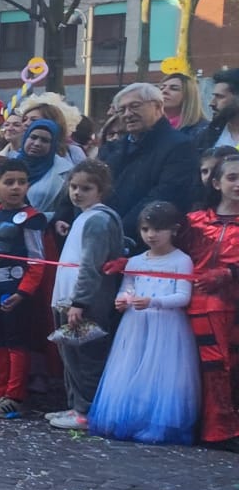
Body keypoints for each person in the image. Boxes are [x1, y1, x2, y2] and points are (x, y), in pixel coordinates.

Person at [87, 203, 198, 445]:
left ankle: (155, 423)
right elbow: (127, 287)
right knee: (131, 368)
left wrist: (153, 302)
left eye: (158, 229)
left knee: (160, 372)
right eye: (146, 229)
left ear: (174, 229)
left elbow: (183, 296)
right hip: (135, 324)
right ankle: (129, 418)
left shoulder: (181, 261)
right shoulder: (135, 261)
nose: (151, 235)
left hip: (166, 326)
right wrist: (122, 300)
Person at [45, 161, 126, 432]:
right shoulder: (84, 217)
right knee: (70, 356)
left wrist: (79, 301)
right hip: (67, 297)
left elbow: (91, 265)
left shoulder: (98, 220)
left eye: (86, 188)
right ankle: (75, 405)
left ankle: (87, 410)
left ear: (100, 190)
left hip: (84, 302)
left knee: (86, 357)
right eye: (74, 187)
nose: (77, 193)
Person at [0, 157, 56, 418]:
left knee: (15, 340)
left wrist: (23, 292)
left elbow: (37, 259)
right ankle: (1, 388)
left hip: (15, 287)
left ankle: (15, 394)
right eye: (9, 182)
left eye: (21, 182)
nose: (16, 187)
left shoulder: (32, 218)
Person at [182, 156, 239, 448]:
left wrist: (230, 273)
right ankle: (217, 430)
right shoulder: (195, 221)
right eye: (232, 177)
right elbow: (166, 251)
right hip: (199, 306)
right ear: (216, 183)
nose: (238, 184)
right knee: (211, 365)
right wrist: (131, 264)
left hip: (232, 305)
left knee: (230, 366)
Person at [99, 82, 201, 237]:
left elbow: (166, 195)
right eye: (122, 110)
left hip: (145, 237)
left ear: (158, 106)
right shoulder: (116, 147)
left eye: (135, 106)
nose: (127, 114)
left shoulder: (180, 146)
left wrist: (119, 230)